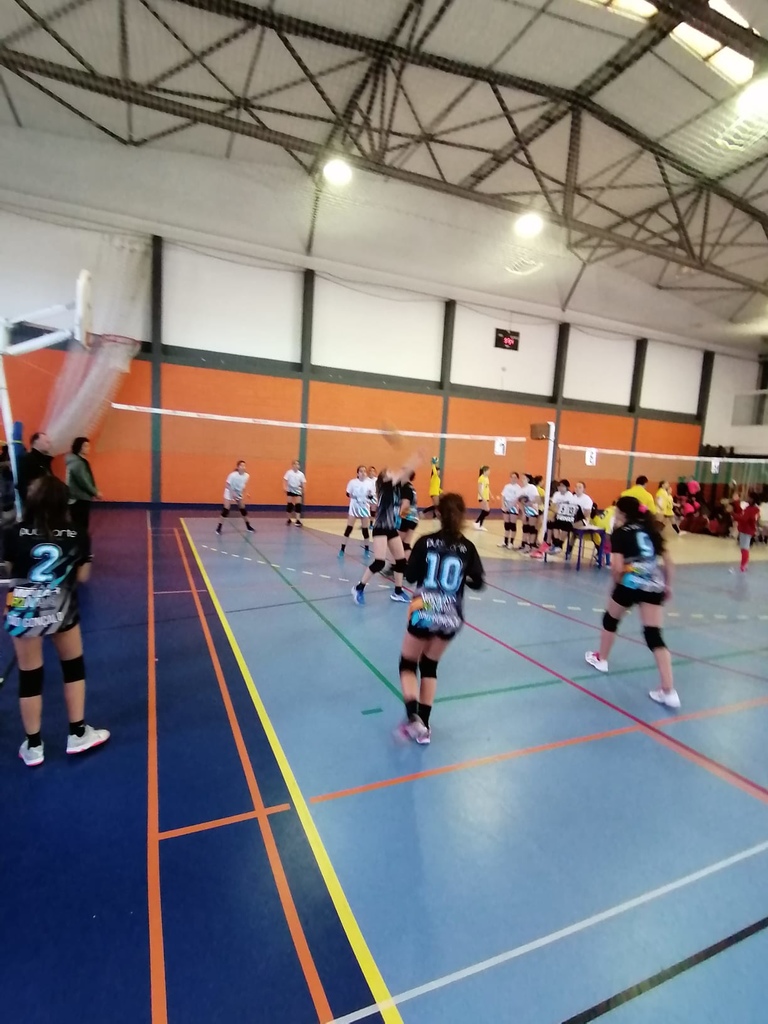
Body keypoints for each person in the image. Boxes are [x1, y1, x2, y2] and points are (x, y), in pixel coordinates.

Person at [5, 476, 109, 766]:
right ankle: (77, 732)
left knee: (29, 676)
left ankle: (33, 745)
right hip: (61, 606)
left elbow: (12, 572)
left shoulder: (13, 533)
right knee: (73, 668)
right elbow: (83, 576)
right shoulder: (77, 534)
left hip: (23, 608)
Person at [398, 493, 485, 744]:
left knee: (408, 664)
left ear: (438, 513)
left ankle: (413, 716)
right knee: (429, 665)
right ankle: (425, 727)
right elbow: (478, 583)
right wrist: (461, 578)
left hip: (424, 609)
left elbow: (410, 576)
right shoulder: (468, 548)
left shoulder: (425, 542)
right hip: (451, 613)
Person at [585, 495, 680, 709]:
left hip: (629, 582)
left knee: (610, 620)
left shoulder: (620, 533)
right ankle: (669, 690)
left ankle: (602, 660)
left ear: (622, 513)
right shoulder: (652, 529)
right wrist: (668, 586)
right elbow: (669, 562)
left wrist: (616, 585)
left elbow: (617, 567)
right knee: (653, 635)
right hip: (653, 584)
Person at [352, 443, 423, 605]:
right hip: (381, 528)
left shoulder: (396, 488)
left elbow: (405, 475)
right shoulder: (386, 486)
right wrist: (416, 457)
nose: (394, 472)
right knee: (379, 562)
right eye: (390, 472)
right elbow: (405, 471)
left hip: (391, 528)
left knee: (400, 561)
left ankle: (398, 592)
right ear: (384, 478)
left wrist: (416, 460)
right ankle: (359, 588)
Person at [65, 437, 102, 564]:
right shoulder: (78, 463)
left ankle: (79, 550)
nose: (88, 448)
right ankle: (82, 552)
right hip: (79, 499)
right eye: (85, 446)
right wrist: (95, 492)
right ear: (79, 447)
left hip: (79, 498)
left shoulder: (78, 461)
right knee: (80, 526)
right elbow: (84, 481)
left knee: (79, 525)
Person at [340, 465, 372, 557]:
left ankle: (367, 549)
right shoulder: (353, 482)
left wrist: (369, 495)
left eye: (364, 471)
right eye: (361, 471)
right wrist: (354, 496)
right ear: (357, 473)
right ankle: (342, 549)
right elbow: (347, 493)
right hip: (354, 507)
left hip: (364, 507)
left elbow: (371, 496)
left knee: (365, 529)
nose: (363, 473)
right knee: (349, 528)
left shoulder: (369, 483)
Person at [216, 460, 254, 535]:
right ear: (238, 467)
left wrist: (246, 493)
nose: (243, 467)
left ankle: (248, 526)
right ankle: (219, 528)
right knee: (226, 510)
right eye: (241, 465)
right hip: (229, 491)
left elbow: (242, 486)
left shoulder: (247, 476)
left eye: (244, 465)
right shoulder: (233, 475)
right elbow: (227, 485)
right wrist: (232, 493)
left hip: (238, 492)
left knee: (243, 509)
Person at [16, 431, 53, 507]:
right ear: (36, 442)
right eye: (46, 441)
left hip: (47, 504)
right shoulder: (27, 459)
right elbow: (23, 485)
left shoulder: (44, 460)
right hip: (38, 506)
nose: (49, 443)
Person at [734, 495, 760, 572]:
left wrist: (732, 514)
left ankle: (743, 565)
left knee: (744, 548)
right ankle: (744, 564)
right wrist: (736, 503)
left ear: (753, 499)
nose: (747, 498)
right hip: (747, 530)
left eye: (749, 497)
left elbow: (743, 518)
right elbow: (741, 513)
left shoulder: (751, 509)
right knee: (744, 548)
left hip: (746, 530)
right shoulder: (753, 509)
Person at [499, 471, 522, 549]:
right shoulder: (507, 486)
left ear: (517, 479)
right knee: (507, 524)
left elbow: (516, 499)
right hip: (506, 504)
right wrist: (503, 505)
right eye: (512, 477)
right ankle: (505, 541)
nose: (513, 479)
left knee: (512, 524)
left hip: (513, 506)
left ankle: (511, 542)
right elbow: (502, 496)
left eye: (515, 477)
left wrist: (509, 507)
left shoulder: (518, 488)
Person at [283, 459, 307, 527]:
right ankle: (288, 519)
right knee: (289, 505)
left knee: (298, 505)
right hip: (290, 489)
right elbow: (285, 480)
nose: (296, 465)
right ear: (292, 465)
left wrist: (303, 489)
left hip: (298, 490)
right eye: (295, 464)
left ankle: (298, 520)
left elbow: (303, 482)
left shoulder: (301, 474)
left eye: (297, 464)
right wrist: (284, 487)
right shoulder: (289, 472)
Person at [474, 466, 491, 531]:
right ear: (485, 471)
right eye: (488, 471)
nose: (489, 472)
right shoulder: (481, 478)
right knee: (487, 511)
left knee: (484, 511)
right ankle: (477, 522)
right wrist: (483, 498)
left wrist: (491, 495)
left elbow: (487, 488)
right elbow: (479, 489)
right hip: (482, 497)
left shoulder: (487, 478)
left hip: (486, 497)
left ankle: (480, 525)